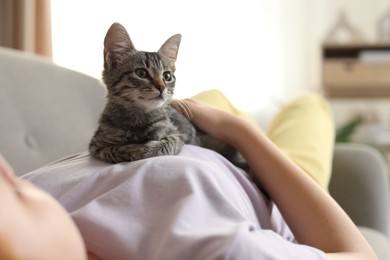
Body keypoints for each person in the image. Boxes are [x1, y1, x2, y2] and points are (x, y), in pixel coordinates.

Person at [1, 93, 377, 259]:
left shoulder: (40, 197)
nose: (5, 167)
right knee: (310, 106)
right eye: (10, 189)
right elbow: (360, 256)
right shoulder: (216, 251)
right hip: (265, 179)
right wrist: (240, 132)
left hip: (176, 132)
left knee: (211, 95)